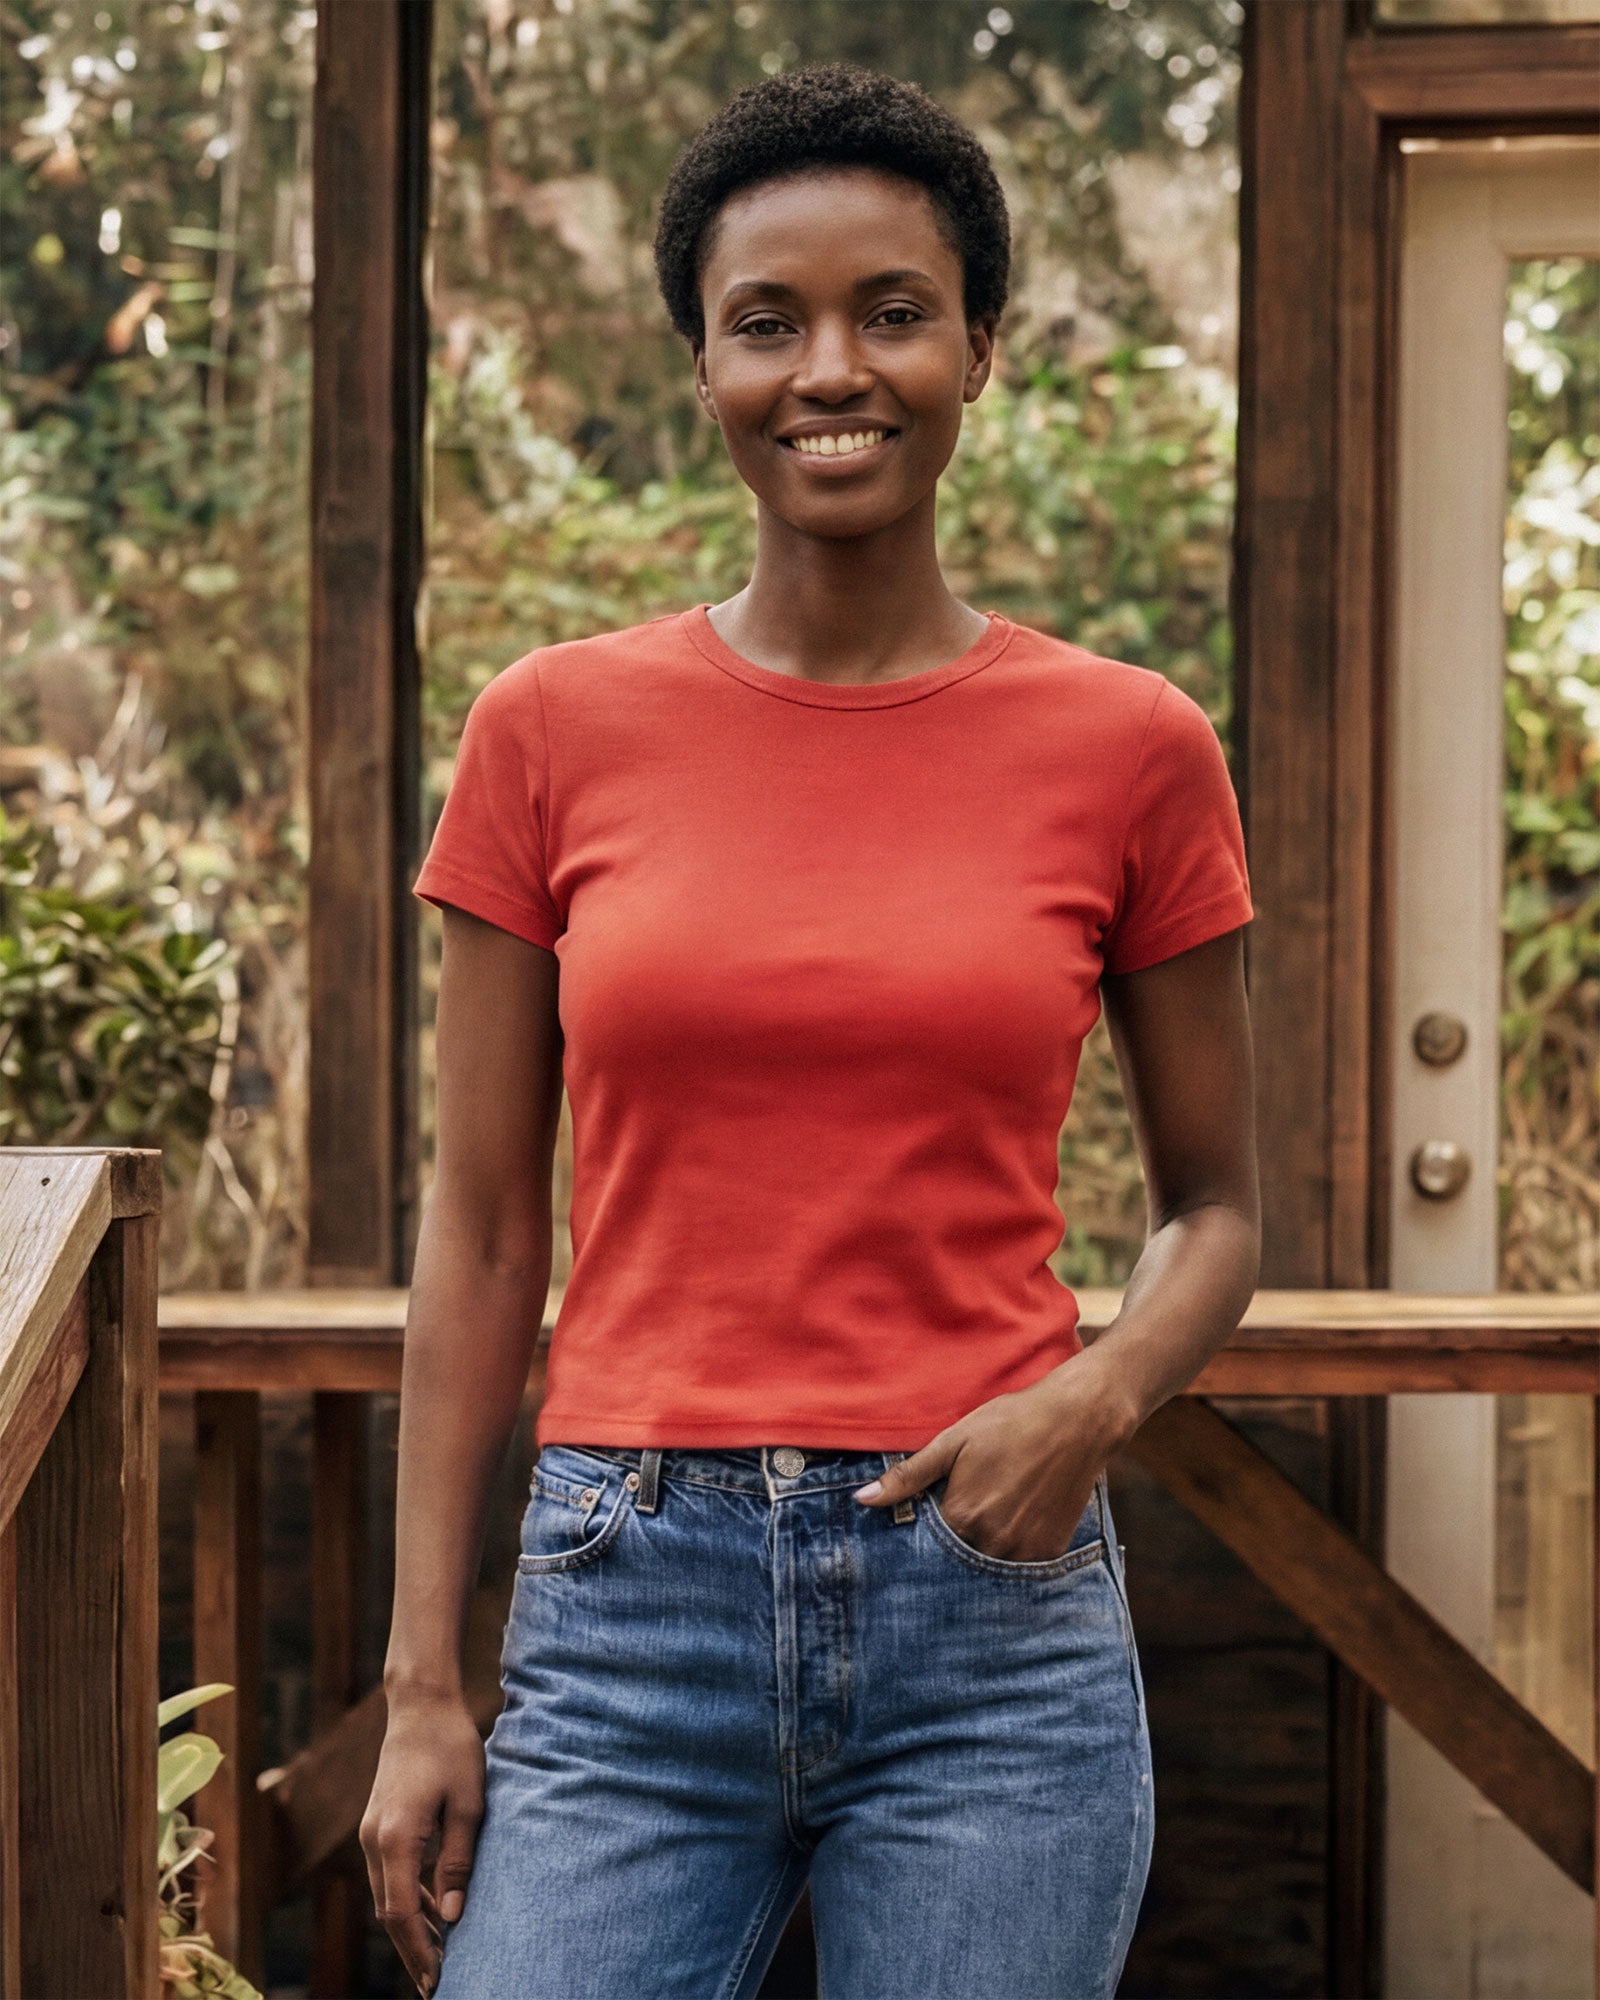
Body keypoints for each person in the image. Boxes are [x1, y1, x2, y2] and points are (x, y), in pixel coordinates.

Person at [360, 60, 1259, 2000]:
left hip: (988, 1619)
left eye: (890, 311)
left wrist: (1087, 1406)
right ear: (701, 362)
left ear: (978, 348)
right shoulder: (546, 730)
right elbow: (484, 1230)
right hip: (624, 1606)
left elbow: (1216, 1211)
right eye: (765, 321)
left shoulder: (1130, 747)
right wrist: (424, 1678)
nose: (826, 368)